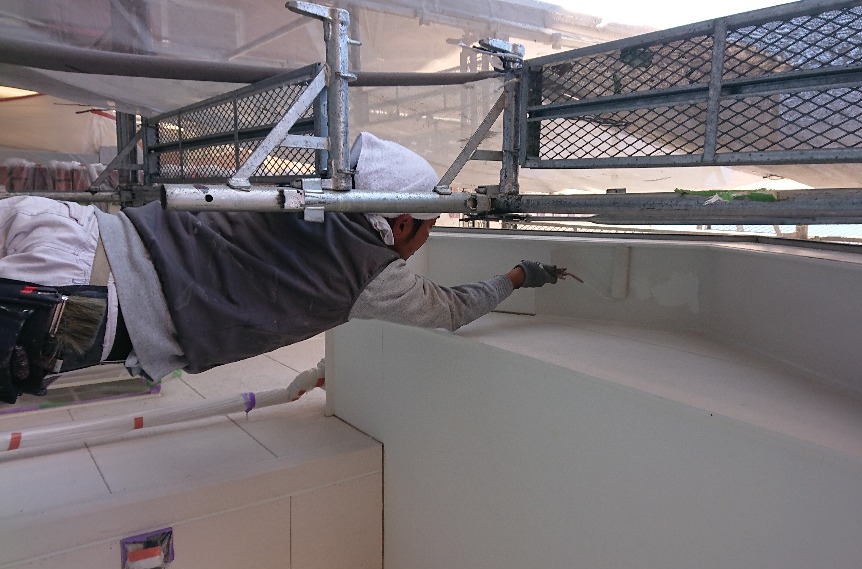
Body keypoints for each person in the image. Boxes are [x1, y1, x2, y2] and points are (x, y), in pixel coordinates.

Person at [0, 132, 560, 403]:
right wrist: (518, 277)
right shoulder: (374, 275)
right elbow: (451, 310)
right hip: (80, 298)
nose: (429, 236)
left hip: (70, 225)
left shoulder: (297, 194)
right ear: (403, 222)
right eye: (430, 224)